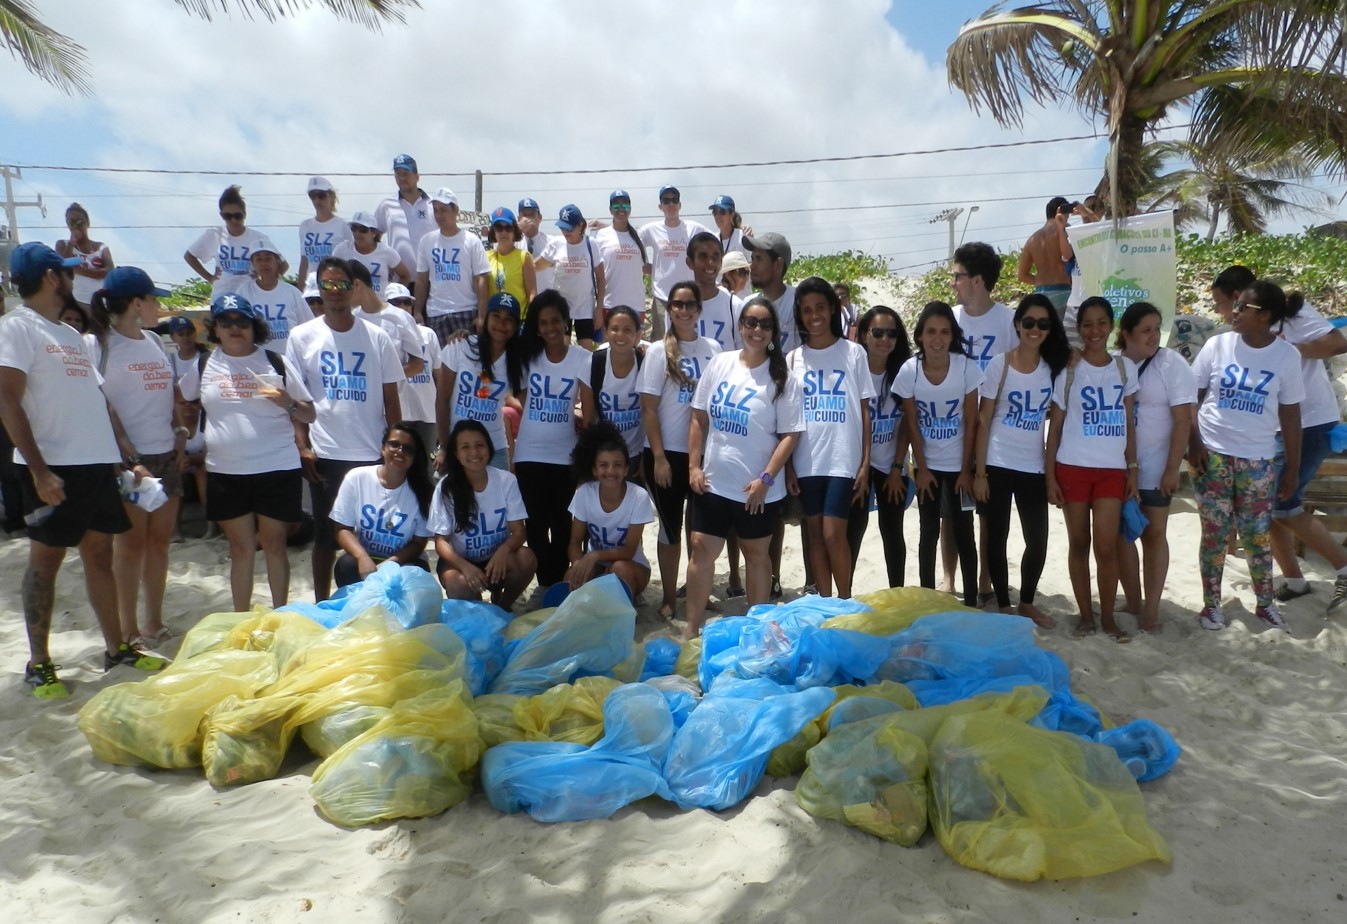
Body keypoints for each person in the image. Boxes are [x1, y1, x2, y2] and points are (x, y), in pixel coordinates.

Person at [0, 243, 169, 698]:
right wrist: (38, 471)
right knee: (45, 563)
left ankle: (116, 649)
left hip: (95, 467)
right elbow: (6, 398)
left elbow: (98, 405)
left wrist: (123, 460)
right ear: (52, 277)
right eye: (67, 272)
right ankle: (39, 663)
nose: (74, 279)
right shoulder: (18, 327)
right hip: (53, 468)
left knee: (99, 556)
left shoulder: (71, 335)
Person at [182, 293, 316, 611]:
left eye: (242, 321)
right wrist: (184, 429)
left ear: (254, 326)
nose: (235, 328)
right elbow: (181, 399)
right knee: (241, 549)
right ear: (215, 328)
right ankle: (240, 619)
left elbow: (309, 413)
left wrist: (289, 403)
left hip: (276, 467)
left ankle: (280, 614)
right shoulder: (204, 363)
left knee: (274, 544)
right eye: (226, 322)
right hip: (225, 471)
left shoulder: (274, 361)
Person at [285, 257, 404, 601]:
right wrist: (302, 445)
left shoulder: (377, 337)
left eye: (341, 285)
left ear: (354, 289)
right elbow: (296, 399)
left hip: (370, 452)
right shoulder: (301, 336)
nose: (335, 292)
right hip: (325, 452)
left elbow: (391, 399)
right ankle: (321, 602)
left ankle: (371, 600)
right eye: (327, 285)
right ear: (319, 289)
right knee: (325, 535)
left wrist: (395, 446)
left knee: (367, 537)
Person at [1188, 280, 1304, 632]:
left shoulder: (1287, 356)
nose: (1234, 312)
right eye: (1235, 305)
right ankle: (1211, 606)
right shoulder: (1217, 345)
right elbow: (1192, 397)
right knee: (1215, 535)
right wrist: (1193, 445)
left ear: (1265, 316)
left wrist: (1292, 470)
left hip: (1258, 459)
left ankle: (1265, 605)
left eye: (1243, 308)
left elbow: (1291, 415)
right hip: (1213, 454)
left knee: (1257, 537)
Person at [685, 296, 804, 637]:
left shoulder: (782, 378)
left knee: (756, 555)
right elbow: (698, 417)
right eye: (751, 322)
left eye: (765, 324)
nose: (757, 329)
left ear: (774, 332)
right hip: (714, 483)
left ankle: (756, 629)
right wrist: (694, 466)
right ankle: (691, 629)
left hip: (757, 489)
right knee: (700, 548)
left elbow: (790, 436)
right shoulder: (721, 363)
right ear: (740, 326)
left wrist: (765, 479)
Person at [86, 267, 187, 649]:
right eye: (154, 299)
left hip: (165, 453)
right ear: (137, 303)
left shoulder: (154, 342)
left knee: (160, 542)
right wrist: (127, 455)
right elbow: (99, 405)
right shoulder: (97, 344)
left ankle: (153, 622)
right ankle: (128, 630)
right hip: (129, 461)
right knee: (130, 546)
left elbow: (169, 393)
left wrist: (180, 433)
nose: (158, 306)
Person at [973, 293, 1071, 628]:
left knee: (1038, 539)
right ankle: (1003, 604)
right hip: (998, 462)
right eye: (1029, 322)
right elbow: (983, 419)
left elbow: (1055, 424)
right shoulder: (999, 363)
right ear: (1017, 325)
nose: (1035, 329)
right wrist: (980, 471)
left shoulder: (1054, 369)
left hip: (1033, 465)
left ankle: (1026, 601)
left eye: (1043, 324)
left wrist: (1051, 474)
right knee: (996, 536)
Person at [1045, 296, 1138, 640]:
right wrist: (1050, 475)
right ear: (1079, 329)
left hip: (1112, 470)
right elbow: (1054, 427)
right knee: (1079, 543)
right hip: (1072, 467)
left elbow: (1129, 422)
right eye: (1087, 324)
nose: (1095, 330)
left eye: (1101, 323)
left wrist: (1134, 469)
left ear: (1111, 326)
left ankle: (1109, 617)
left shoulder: (1124, 368)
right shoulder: (1069, 371)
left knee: (1106, 547)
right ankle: (1086, 615)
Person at [786, 277, 873, 599]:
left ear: (834, 308)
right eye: (807, 310)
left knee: (834, 533)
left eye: (820, 307)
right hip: (806, 460)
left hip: (842, 459)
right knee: (815, 534)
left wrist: (865, 463)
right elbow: (788, 418)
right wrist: (788, 467)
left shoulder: (853, 353)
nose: (814, 315)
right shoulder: (793, 359)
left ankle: (845, 598)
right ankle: (825, 601)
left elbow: (865, 412)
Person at [639, 281, 721, 621]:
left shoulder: (714, 349)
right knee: (670, 529)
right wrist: (658, 457)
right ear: (669, 309)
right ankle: (670, 596)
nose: (684, 310)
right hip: (667, 453)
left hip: (702, 453)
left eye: (690, 304)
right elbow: (648, 408)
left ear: (699, 309)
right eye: (677, 304)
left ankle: (696, 591)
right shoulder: (659, 351)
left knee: (699, 531)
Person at [1115, 301, 1197, 634]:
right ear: (1126, 334)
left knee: (1153, 536)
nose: (1153, 336)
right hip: (1117, 467)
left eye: (1155, 329)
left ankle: (1151, 610)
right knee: (1121, 537)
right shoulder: (1115, 364)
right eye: (1145, 330)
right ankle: (1133, 601)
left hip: (1156, 467)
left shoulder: (1171, 364)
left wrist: (1171, 470)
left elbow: (1183, 421)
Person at [894, 301, 982, 607]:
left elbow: (972, 421)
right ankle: (928, 599)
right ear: (919, 335)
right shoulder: (910, 371)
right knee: (928, 532)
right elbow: (912, 423)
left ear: (952, 336)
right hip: (927, 468)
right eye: (931, 331)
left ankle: (970, 601)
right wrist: (922, 468)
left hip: (959, 466)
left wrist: (966, 470)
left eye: (945, 331)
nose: (937, 338)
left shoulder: (967, 367)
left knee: (964, 532)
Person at [1265, 288, 1347, 614]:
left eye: (1223, 303)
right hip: (1278, 428)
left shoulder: (1292, 315)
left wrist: (1292, 351)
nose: (1226, 312)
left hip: (1310, 423)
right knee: (1269, 508)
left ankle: (1343, 568)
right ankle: (1295, 580)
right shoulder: (1242, 332)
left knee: (1284, 505)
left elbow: (1338, 343)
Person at [511, 289, 593, 589]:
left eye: (555, 321)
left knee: (563, 526)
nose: (550, 328)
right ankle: (545, 584)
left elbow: (589, 410)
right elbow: (519, 396)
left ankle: (557, 586)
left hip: (566, 456)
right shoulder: (526, 357)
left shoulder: (583, 358)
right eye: (543, 323)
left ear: (566, 322)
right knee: (534, 526)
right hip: (529, 453)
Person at [951, 240, 1018, 603]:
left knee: (989, 512)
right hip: (952, 429)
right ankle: (949, 578)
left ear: (977, 280)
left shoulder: (1009, 322)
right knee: (952, 512)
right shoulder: (949, 319)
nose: (953, 283)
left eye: (958, 276)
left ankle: (985, 579)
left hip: (995, 431)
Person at [428, 419, 536, 608]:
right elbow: (441, 541)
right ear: (456, 453)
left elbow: (519, 532)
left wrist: (503, 551)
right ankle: (477, 610)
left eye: (480, 445)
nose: (474, 453)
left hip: (496, 561)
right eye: (465, 447)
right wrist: (464, 566)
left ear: (489, 447)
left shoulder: (506, 480)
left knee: (526, 559)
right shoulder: (446, 487)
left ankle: (503, 605)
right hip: (461, 561)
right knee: (457, 582)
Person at [846, 306, 911, 588]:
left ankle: (897, 592)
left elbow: (908, 422)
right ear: (863, 335)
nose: (885, 339)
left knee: (893, 530)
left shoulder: (904, 372)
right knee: (854, 530)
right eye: (878, 332)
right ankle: (844, 592)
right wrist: (860, 468)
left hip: (892, 464)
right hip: (859, 466)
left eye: (892, 333)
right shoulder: (851, 372)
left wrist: (897, 468)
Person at [329, 422, 434, 587]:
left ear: (415, 457)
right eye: (394, 445)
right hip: (367, 557)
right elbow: (342, 529)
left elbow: (418, 543)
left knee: (415, 578)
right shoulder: (356, 478)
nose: (400, 451)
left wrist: (390, 564)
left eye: (408, 449)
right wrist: (362, 558)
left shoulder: (424, 492)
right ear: (383, 448)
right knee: (345, 566)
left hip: (403, 561)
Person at [565, 420, 655, 596]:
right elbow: (575, 542)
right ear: (594, 470)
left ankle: (625, 606)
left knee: (620, 569)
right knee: (571, 576)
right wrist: (578, 564)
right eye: (604, 465)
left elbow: (629, 551)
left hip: (631, 565)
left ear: (626, 469)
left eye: (618, 465)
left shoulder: (638, 496)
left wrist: (594, 556)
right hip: (597, 565)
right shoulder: (585, 493)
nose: (611, 471)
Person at [435, 292, 521, 472]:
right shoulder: (460, 345)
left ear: (515, 326)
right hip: (459, 446)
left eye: (509, 319)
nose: (501, 324)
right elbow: (442, 401)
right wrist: (444, 446)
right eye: (496, 316)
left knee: (498, 499)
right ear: (486, 318)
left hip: (495, 448)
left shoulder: (519, 360)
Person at [413, 187, 489, 343]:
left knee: (466, 364)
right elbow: (421, 279)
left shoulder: (471, 240)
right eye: (436, 210)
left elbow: (481, 279)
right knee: (439, 365)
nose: (439, 215)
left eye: (444, 210)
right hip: (436, 313)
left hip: (465, 311)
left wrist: (482, 316)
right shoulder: (427, 241)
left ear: (456, 211)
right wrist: (418, 311)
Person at [640, 185, 711, 340]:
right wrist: (651, 269)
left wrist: (740, 229)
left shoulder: (694, 228)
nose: (671, 204)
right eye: (666, 201)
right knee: (662, 341)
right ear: (660, 206)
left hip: (688, 296)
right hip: (662, 297)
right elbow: (630, 241)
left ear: (680, 205)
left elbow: (718, 239)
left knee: (688, 338)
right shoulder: (651, 230)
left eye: (674, 200)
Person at [185, 185, 279, 298]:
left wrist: (264, 278)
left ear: (245, 214)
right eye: (228, 216)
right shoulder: (214, 235)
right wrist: (210, 278)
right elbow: (189, 256)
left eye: (237, 216)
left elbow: (282, 265)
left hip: (249, 299)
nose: (233, 220)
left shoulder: (258, 238)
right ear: (221, 215)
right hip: (221, 299)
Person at [386, 283, 440, 466]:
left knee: (427, 471)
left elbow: (439, 376)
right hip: (398, 414)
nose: (402, 307)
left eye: (406, 302)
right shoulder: (381, 337)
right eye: (395, 302)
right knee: (399, 470)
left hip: (427, 414)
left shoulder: (428, 334)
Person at [589, 306, 646, 472]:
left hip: (636, 453)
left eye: (627, 330)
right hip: (603, 454)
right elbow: (589, 417)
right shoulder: (594, 363)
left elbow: (652, 412)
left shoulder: (646, 363)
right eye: (614, 329)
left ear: (638, 335)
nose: (620, 335)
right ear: (606, 332)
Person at [546, 205, 605, 346]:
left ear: (580, 225)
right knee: (562, 350)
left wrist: (599, 309)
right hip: (561, 308)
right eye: (562, 228)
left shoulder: (591, 244)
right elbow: (534, 266)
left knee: (586, 354)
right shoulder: (556, 244)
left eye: (569, 228)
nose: (565, 232)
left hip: (585, 308)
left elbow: (601, 279)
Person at [237, 236, 306, 352]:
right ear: (253, 264)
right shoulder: (243, 291)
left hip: (290, 358)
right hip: (257, 359)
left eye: (268, 259)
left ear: (277, 262)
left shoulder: (292, 292)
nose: (264, 263)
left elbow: (306, 325)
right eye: (258, 259)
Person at [374, 154, 436, 275]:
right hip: (399, 280)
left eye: (406, 174)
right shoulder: (387, 205)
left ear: (417, 177)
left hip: (430, 278)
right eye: (398, 174)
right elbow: (373, 235)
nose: (402, 178)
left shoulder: (433, 204)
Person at [594, 190, 650, 325]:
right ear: (610, 209)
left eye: (625, 206)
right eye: (616, 206)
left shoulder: (638, 237)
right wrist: (598, 306)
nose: (621, 209)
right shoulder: (601, 236)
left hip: (636, 306)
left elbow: (645, 267)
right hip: (608, 305)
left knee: (633, 346)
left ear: (630, 209)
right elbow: (596, 273)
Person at [743, 232, 800, 354]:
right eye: (752, 259)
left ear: (778, 265)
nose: (752, 266)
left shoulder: (797, 302)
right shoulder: (748, 304)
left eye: (759, 259)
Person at [332, 210, 409, 296]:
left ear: (374, 233)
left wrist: (395, 296)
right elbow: (331, 275)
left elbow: (405, 275)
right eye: (354, 228)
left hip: (379, 305)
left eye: (363, 230)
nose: (357, 233)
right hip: (352, 305)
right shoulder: (342, 250)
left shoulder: (387, 252)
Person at [1016, 196, 1074, 311]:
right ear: (1061, 211)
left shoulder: (1032, 239)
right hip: (1064, 290)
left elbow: (1022, 275)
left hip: (1041, 293)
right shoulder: (1066, 230)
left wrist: (1041, 282)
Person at [295, 176, 353, 289]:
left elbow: (351, 260)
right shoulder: (305, 226)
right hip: (312, 287)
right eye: (313, 196)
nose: (317, 200)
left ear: (331, 197)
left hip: (335, 285)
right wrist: (300, 289)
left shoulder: (342, 226)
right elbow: (304, 261)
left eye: (321, 195)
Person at [688, 231, 739, 352]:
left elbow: (744, 350)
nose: (710, 262)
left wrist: (772, 349)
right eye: (703, 256)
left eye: (715, 257)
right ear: (690, 262)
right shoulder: (679, 305)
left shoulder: (734, 305)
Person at [1062, 195, 1103, 348]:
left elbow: (1101, 227)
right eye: (1086, 207)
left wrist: (1086, 212)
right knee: (1071, 352)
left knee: (1095, 350)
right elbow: (1066, 256)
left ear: (1102, 210)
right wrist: (1061, 228)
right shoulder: (1077, 234)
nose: (1086, 213)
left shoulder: (1106, 231)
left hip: (1095, 304)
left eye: (1092, 207)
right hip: (1073, 304)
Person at [55, 202, 112, 308]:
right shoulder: (63, 244)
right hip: (74, 304)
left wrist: (78, 270)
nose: (75, 226)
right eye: (71, 222)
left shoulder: (101, 247)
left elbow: (109, 271)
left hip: (98, 305)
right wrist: (72, 243)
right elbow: (62, 267)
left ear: (87, 223)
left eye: (79, 222)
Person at [485, 206, 537, 309]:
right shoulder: (486, 257)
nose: (503, 232)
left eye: (508, 228)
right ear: (493, 232)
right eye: (499, 228)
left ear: (515, 231)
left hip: (519, 320)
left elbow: (532, 293)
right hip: (494, 321)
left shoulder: (524, 257)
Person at [516, 197, 562, 293]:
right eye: (525, 215)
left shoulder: (551, 242)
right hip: (521, 300)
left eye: (532, 215)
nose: (528, 219)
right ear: (518, 219)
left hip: (545, 301)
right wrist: (518, 229)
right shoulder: (513, 243)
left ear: (540, 218)